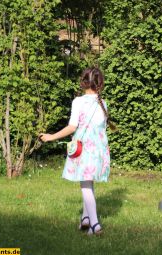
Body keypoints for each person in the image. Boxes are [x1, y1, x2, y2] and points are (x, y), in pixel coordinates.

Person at [40, 67, 116, 235]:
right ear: (100, 83)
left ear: (83, 82)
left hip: (84, 149)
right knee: (88, 183)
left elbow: (72, 127)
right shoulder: (103, 103)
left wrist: (51, 137)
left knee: (85, 186)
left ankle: (95, 224)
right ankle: (86, 219)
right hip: (99, 149)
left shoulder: (78, 102)